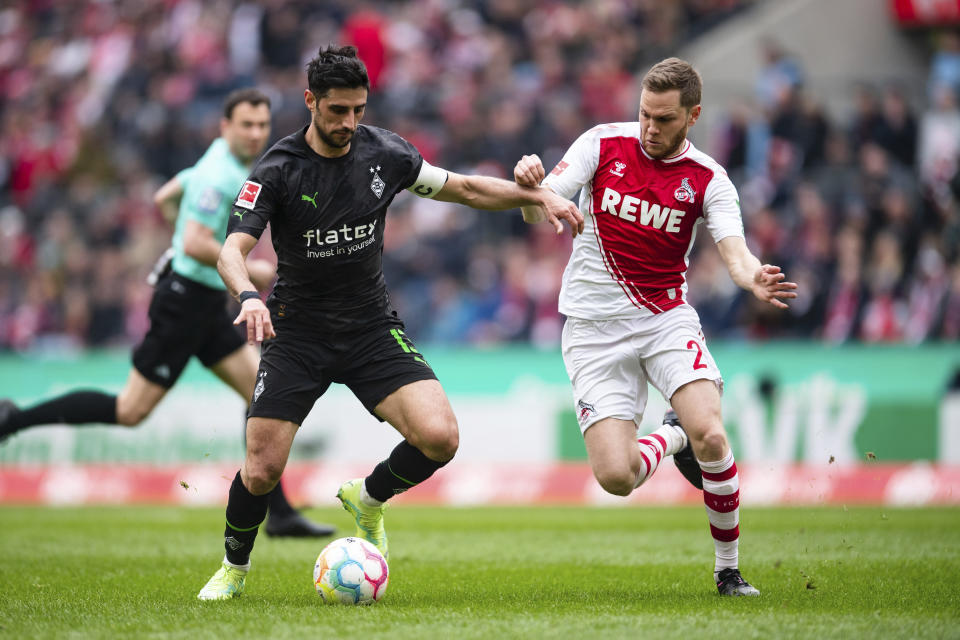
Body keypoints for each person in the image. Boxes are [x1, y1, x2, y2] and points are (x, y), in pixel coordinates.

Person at [196, 44, 583, 600]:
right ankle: (234, 569)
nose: (350, 122)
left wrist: (536, 194)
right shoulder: (277, 170)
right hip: (295, 333)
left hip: (370, 328)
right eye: (337, 111)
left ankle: (368, 496)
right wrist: (249, 296)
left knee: (439, 438)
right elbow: (231, 250)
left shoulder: (386, 154)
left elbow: (466, 188)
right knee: (261, 470)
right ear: (310, 102)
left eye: (359, 109)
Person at [513, 57, 798, 596]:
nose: (649, 128)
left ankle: (728, 571)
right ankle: (672, 436)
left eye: (664, 119)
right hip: (591, 330)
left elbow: (734, 252)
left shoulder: (709, 179)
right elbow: (541, 211)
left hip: (664, 320)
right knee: (616, 478)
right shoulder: (601, 143)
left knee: (712, 432)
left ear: (693, 116)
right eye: (644, 114)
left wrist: (751, 278)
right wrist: (530, 188)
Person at [0, 89, 335, 538]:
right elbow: (196, 239)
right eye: (246, 125)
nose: (256, 134)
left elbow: (165, 197)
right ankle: (12, 419)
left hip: (204, 301)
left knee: (260, 393)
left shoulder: (218, 162)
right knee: (130, 409)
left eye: (261, 125)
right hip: (183, 304)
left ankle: (280, 514)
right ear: (225, 126)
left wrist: (184, 238)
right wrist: (249, 266)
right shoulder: (220, 174)